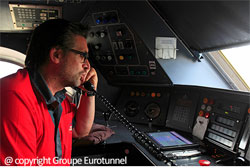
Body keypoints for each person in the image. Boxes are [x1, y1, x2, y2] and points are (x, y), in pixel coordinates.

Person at [0, 19, 98, 166]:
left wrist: (90, 92)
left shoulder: (58, 97)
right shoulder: (15, 96)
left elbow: (80, 131)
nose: (87, 66)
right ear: (56, 55)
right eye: (82, 56)